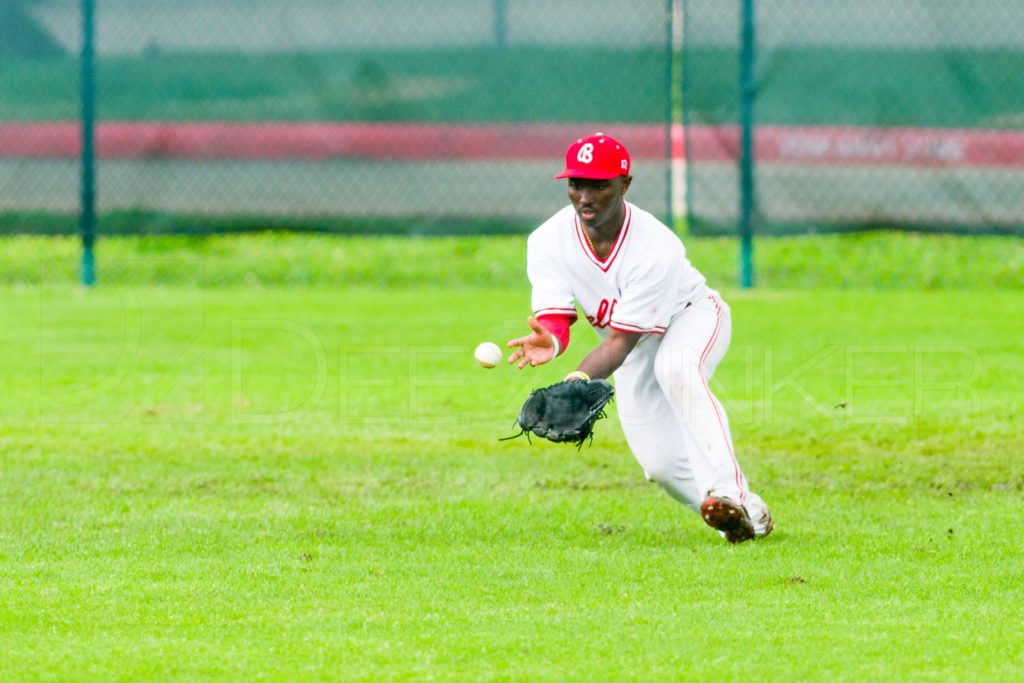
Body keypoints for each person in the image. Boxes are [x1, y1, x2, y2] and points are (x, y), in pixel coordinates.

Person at [506, 133, 773, 543]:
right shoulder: (546, 240)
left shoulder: (655, 246)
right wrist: (553, 342)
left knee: (675, 368)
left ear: (624, 184)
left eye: (599, 184)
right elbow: (556, 316)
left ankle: (726, 490)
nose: (585, 196)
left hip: (692, 317)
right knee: (660, 465)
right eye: (577, 183)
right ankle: (745, 514)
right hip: (627, 347)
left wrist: (578, 378)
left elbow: (618, 344)